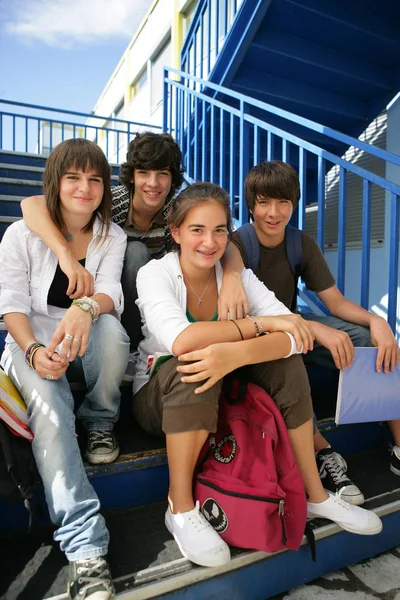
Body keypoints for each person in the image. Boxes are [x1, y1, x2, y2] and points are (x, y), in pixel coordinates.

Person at [133, 182, 382, 569]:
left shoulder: (240, 278)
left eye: (219, 230)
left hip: (223, 393)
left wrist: (234, 353)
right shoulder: (155, 274)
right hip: (163, 398)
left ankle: (314, 493)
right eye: (197, 230)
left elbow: (295, 334)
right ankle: (179, 507)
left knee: (283, 364)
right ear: (177, 231)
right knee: (195, 366)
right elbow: (182, 340)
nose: (209, 241)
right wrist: (259, 325)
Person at [225, 160, 400, 503]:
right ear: (250, 206)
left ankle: (398, 444)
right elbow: (250, 312)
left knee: (367, 340)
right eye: (263, 203)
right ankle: (321, 453)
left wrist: (378, 321)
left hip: (296, 326)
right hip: (258, 332)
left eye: (283, 203)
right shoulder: (237, 243)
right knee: (288, 359)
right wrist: (313, 327)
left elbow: (334, 302)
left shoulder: (300, 243)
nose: (273, 213)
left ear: (294, 204)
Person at [0, 138, 130, 600]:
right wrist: (35, 351)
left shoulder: (111, 235)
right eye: (73, 177)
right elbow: (11, 309)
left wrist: (86, 309)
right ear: (55, 183)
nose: (85, 188)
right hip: (30, 344)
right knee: (52, 411)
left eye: (95, 179)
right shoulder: (20, 234)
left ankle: (100, 422)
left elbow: (111, 290)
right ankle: (85, 549)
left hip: (86, 330)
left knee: (114, 335)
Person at [20, 132, 247, 380]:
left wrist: (233, 277)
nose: (153, 183)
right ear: (132, 176)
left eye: (162, 174)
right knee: (136, 251)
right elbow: (31, 205)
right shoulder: (113, 202)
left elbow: (227, 240)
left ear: (172, 179)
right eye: (144, 173)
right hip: (110, 296)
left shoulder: (175, 211)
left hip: (160, 298)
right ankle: (129, 348)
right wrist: (65, 254)